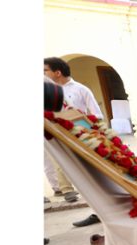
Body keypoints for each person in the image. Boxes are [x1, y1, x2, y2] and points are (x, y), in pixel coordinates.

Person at [44, 56, 106, 203]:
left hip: (78, 134)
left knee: (84, 165)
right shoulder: (46, 91)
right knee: (57, 160)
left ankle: (95, 191)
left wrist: (79, 115)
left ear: (57, 72)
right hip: (55, 133)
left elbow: (97, 115)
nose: (43, 74)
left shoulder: (81, 89)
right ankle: (66, 190)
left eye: (45, 70)